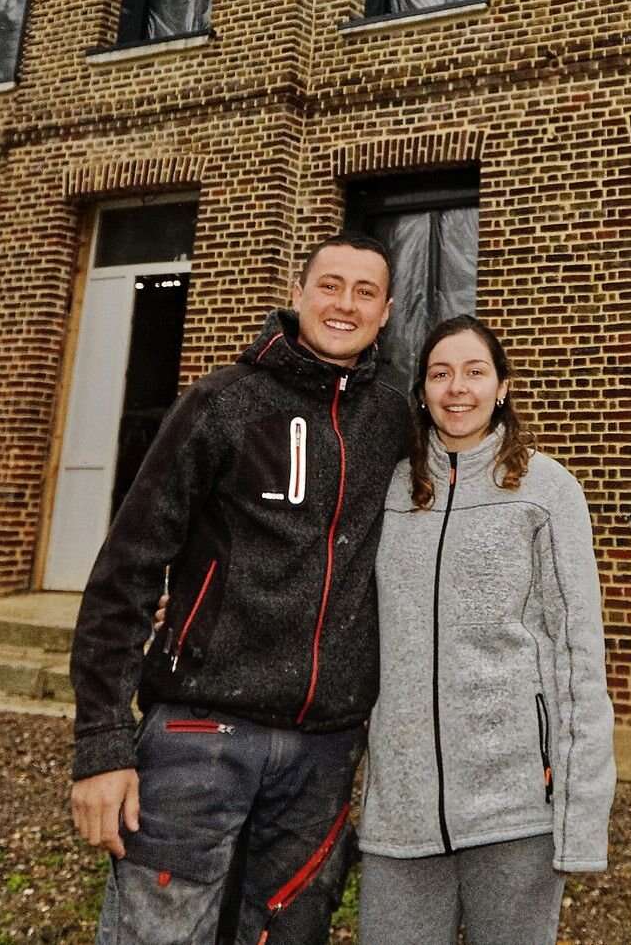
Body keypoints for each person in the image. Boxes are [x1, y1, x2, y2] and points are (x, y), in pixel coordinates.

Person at [68, 231, 412, 945]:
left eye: (365, 291)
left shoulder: (394, 420)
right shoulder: (221, 402)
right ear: (296, 292)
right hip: (200, 736)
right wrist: (102, 744)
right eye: (330, 284)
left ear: (385, 312)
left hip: (323, 750)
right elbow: (126, 571)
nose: (344, 304)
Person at [356, 316, 615, 945]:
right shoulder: (388, 490)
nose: (457, 389)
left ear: (502, 387)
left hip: (514, 806)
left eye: (475, 372)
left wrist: (580, 820)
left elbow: (578, 654)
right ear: (421, 391)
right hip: (400, 809)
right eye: (440, 374)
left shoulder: (547, 491)